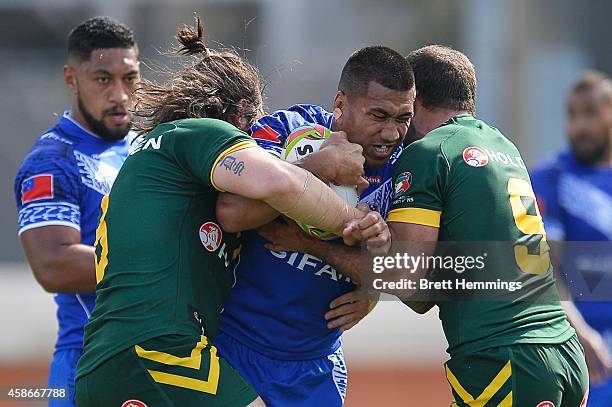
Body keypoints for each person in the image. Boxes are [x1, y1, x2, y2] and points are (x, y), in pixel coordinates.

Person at [74, 18, 388, 407]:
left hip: (108, 361)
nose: (255, 143)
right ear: (241, 114)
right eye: (252, 133)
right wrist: (354, 220)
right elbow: (282, 184)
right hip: (160, 353)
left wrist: (369, 285)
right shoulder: (201, 132)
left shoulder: (171, 179)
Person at [383, 45, 589, 406]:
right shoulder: (503, 145)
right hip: (565, 353)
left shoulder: (429, 152)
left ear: (412, 100)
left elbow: (413, 289)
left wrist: (338, 235)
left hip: (506, 360)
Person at [214, 45, 414, 406]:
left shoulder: (404, 173)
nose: (391, 133)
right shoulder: (288, 129)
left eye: (403, 118)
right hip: (231, 348)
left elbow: (406, 275)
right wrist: (318, 167)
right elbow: (233, 212)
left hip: (315, 366)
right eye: (379, 115)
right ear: (341, 104)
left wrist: (368, 287)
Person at [14, 16, 140, 406]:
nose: (120, 94)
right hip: (89, 364)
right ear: (72, 79)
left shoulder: (141, 148)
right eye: (103, 79)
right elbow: (53, 265)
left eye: (130, 79)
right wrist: (158, 264)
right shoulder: (52, 162)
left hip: (153, 363)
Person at [531, 71, 612, 406]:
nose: (579, 126)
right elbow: (542, 267)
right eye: (572, 114)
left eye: (590, 113)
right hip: (577, 350)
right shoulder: (549, 179)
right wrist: (579, 331)